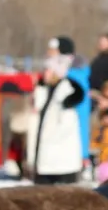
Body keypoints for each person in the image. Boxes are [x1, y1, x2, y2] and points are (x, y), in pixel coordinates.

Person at [29, 55, 86, 184]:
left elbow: (64, 129)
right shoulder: (45, 90)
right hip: (45, 158)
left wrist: (47, 141)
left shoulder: (66, 94)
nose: (44, 73)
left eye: (48, 70)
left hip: (60, 161)